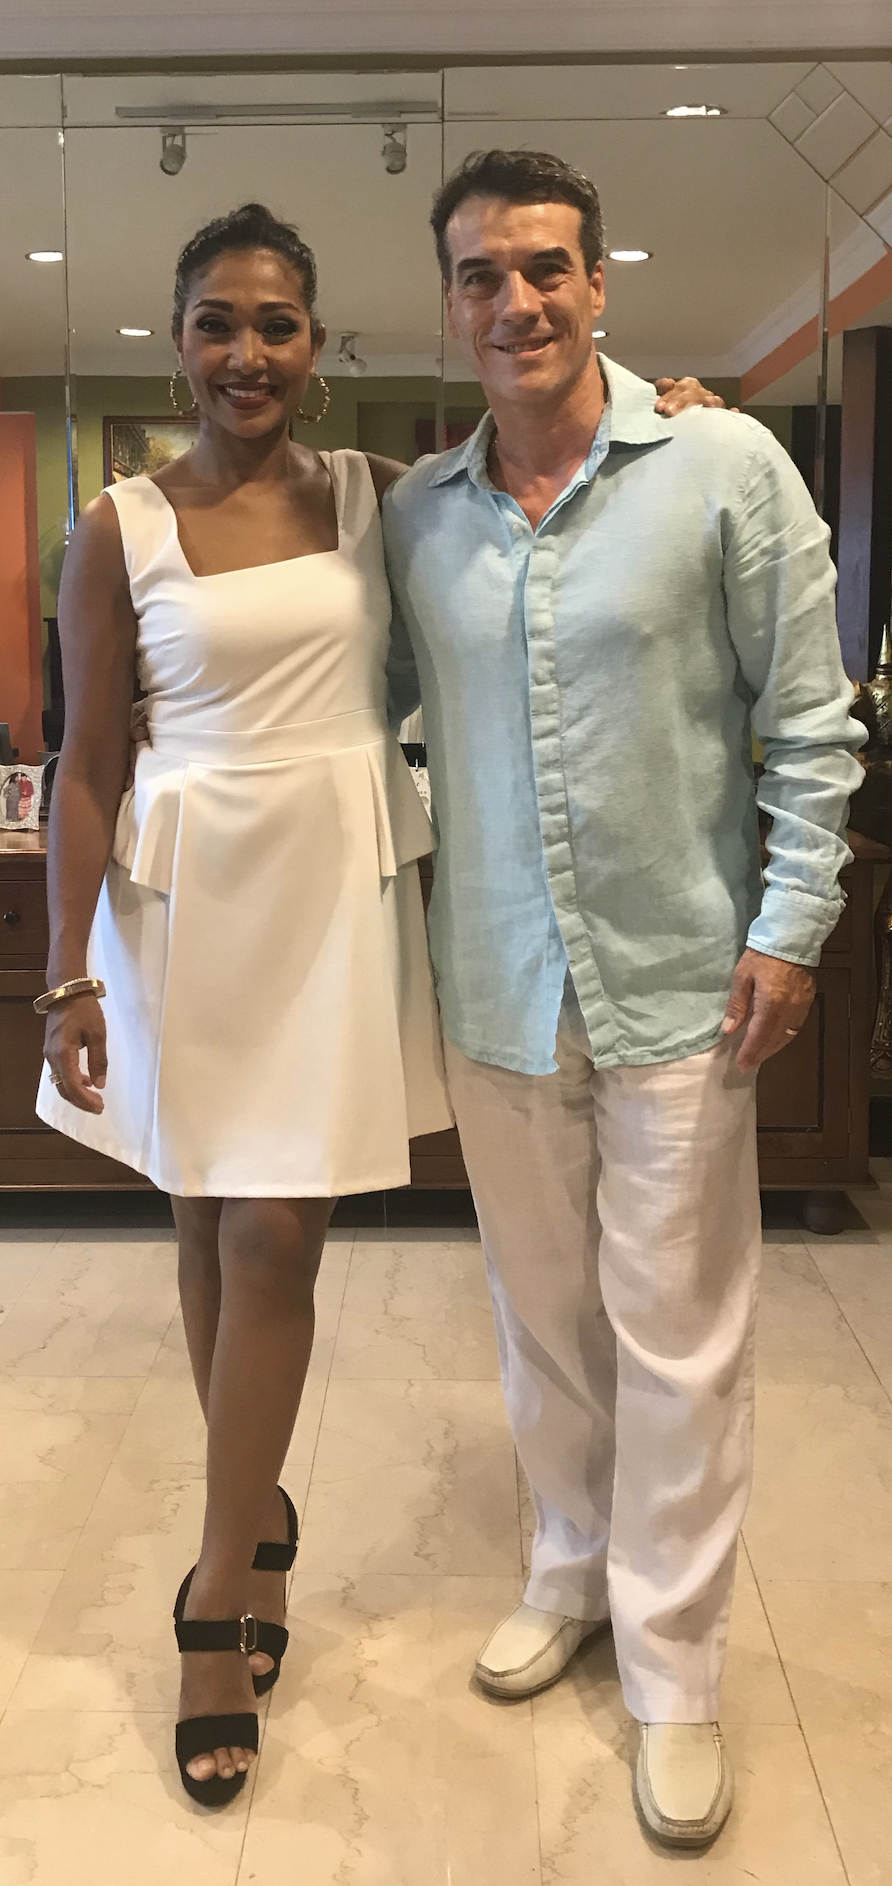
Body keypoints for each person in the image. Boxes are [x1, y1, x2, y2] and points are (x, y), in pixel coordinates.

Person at [383, 149, 864, 1850]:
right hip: (498, 986)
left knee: (679, 1337)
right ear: (450, 302)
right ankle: (571, 1566)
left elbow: (809, 718)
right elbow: (346, 703)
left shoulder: (724, 467)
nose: (515, 300)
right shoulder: (418, 519)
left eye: (546, 268)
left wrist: (794, 921)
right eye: (481, 274)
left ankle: (674, 1664)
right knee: (542, 1319)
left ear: (598, 283)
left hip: (682, 987)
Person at [35, 202, 455, 1807]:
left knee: (277, 1232)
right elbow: (88, 763)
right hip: (184, 900)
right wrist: (68, 968)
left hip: (332, 891)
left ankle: (219, 1588)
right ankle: (256, 1517)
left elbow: (536, 496)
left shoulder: (378, 497)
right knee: (211, 1221)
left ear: (317, 346)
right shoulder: (117, 525)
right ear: (177, 341)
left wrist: (670, 415)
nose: (247, 351)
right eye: (218, 321)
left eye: (276, 322)